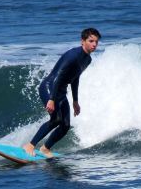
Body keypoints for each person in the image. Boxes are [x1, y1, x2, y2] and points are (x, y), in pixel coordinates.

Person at [23, 28, 101, 157]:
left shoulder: (87, 59)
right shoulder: (73, 56)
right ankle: (30, 145)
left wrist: (75, 101)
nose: (94, 44)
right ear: (83, 41)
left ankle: (45, 148)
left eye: (96, 42)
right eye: (91, 41)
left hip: (60, 91)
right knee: (56, 119)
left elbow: (75, 78)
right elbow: (59, 77)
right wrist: (52, 99)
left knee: (65, 125)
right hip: (49, 88)